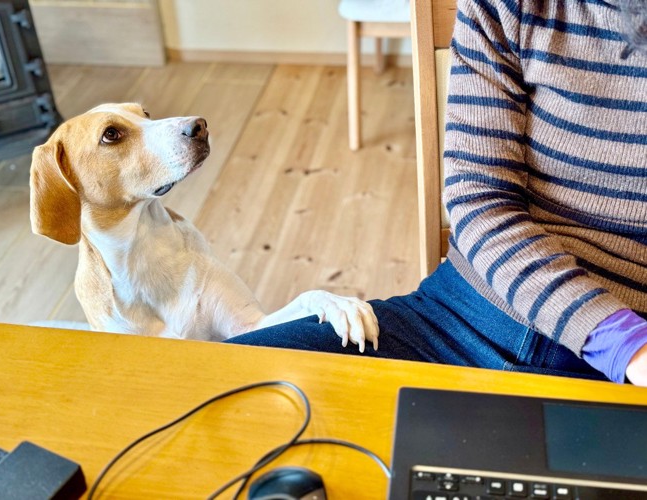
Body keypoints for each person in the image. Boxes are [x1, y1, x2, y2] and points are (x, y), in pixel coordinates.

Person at [226, 0, 647, 386]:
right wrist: (621, 341)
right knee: (210, 386)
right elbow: (480, 201)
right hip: (458, 320)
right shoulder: (509, 6)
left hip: (619, 372)